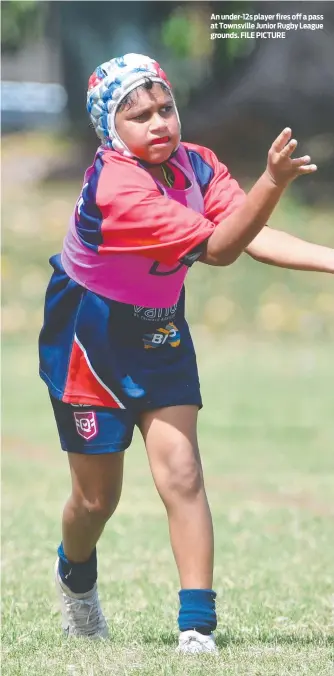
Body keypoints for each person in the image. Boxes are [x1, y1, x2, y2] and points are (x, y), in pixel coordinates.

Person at [39, 53, 334, 654]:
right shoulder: (117, 186)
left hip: (158, 329)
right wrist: (273, 182)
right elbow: (223, 249)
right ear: (109, 129)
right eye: (139, 115)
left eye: (165, 108)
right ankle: (75, 576)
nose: (158, 123)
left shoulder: (195, 164)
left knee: (182, 473)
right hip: (88, 338)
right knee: (96, 500)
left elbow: (251, 234)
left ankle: (196, 628)